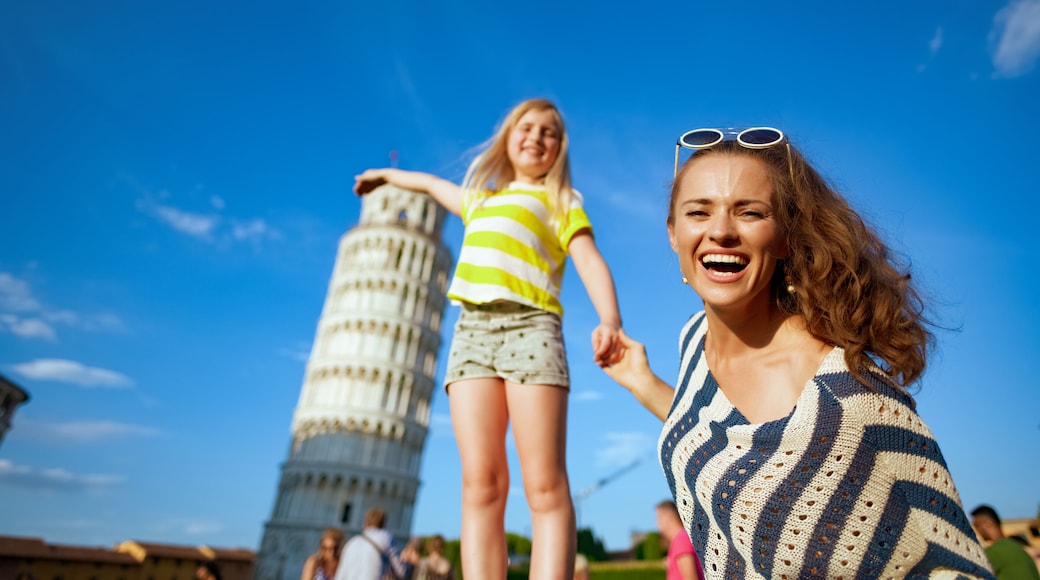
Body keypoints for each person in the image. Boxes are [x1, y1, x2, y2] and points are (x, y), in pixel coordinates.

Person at [601, 127, 996, 578]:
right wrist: (641, 382)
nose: (721, 231)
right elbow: (717, 434)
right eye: (699, 211)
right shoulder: (694, 339)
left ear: (786, 237)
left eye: (750, 212)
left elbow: (951, 561)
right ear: (673, 233)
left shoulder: (848, 397)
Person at [353, 98, 623, 580]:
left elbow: (588, 259)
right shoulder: (480, 199)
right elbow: (431, 185)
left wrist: (610, 318)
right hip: (472, 335)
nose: (536, 137)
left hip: (531, 329)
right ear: (508, 137)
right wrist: (384, 175)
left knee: (544, 485)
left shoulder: (562, 200)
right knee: (481, 482)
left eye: (549, 132)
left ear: (559, 149)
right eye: (527, 127)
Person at [971, 504, 1040, 579]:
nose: (976, 530)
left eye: (977, 525)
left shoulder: (994, 552)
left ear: (988, 524)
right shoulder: (1017, 547)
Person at [336, 508, 406, 580]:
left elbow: (341, 575)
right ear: (383, 523)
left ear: (365, 523)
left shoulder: (351, 542)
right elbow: (401, 571)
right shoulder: (386, 538)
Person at [655, 500, 703, 580]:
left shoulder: (680, 540)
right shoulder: (680, 539)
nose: (658, 524)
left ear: (668, 517)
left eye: (659, 519)